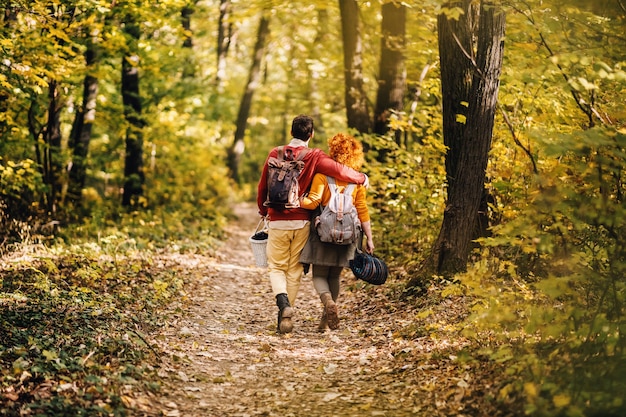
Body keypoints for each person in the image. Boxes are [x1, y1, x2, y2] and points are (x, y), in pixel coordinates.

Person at [257, 115, 368, 334]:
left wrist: (264, 211)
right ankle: (286, 314)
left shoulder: (274, 153)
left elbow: (263, 187)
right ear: (311, 134)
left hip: (278, 219)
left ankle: (284, 307)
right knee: (295, 270)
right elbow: (339, 171)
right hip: (301, 221)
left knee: (276, 267)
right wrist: (361, 177)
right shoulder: (315, 156)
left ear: (291, 133)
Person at [299, 132, 374, 331]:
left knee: (319, 276)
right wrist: (370, 238)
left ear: (334, 151)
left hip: (323, 234)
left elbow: (312, 202)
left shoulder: (322, 176)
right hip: (348, 235)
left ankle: (328, 303)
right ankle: (325, 320)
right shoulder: (357, 182)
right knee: (334, 277)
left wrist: (298, 200)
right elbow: (362, 210)